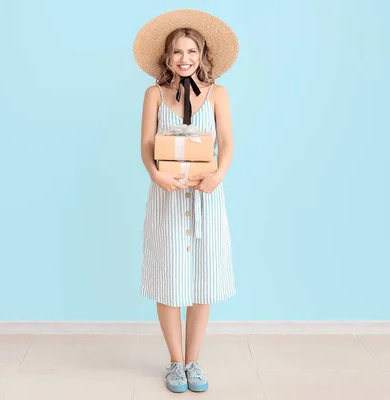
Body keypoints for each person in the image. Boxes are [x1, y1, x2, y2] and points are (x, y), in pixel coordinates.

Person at [133, 9, 239, 393]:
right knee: (169, 276)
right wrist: (155, 174)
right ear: (167, 57)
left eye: (190, 51)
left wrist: (218, 175)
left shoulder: (218, 94)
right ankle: (175, 363)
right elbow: (147, 145)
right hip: (166, 197)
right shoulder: (154, 94)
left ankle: (194, 361)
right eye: (177, 52)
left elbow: (226, 144)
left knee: (203, 277)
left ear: (202, 53)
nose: (184, 59)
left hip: (207, 197)